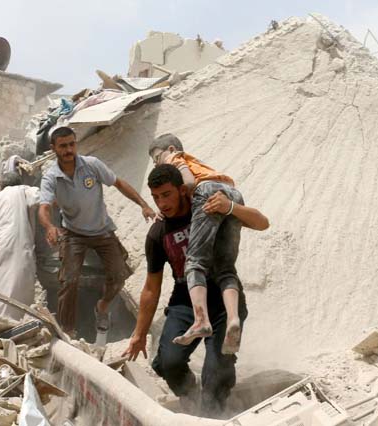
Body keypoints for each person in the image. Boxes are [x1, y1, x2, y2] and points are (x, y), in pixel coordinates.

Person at [123, 164, 268, 416]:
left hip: (223, 294)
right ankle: (191, 398)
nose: (161, 203)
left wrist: (231, 206)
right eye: (156, 197)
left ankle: (213, 411)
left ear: (181, 190)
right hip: (184, 300)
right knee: (169, 362)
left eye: (166, 194)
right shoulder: (158, 233)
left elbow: (262, 222)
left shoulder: (210, 207)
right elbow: (150, 287)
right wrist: (139, 333)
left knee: (217, 371)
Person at [149, 133, 262, 353]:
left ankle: (201, 321)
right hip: (232, 194)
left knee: (194, 262)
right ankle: (233, 320)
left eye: (157, 158)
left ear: (171, 149)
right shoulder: (202, 166)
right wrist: (230, 206)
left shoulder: (176, 158)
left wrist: (192, 200)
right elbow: (261, 222)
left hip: (207, 192)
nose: (157, 163)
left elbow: (190, 182)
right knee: (225, 268)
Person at [39, 126, 156, 337]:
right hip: (73, 233)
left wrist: (143, 204)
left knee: (119, 275)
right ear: (53, 148)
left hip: (102, 230)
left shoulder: (92, 165)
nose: (68, 150)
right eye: (63, 146)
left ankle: (102, 307)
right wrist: (49, 226)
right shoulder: (51, 177)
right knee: (69, 279)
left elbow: (119, 183)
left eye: (71, 144)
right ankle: (67, 330)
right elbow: (44, 207)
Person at [0, 172, 40, 320]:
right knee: (17, 280)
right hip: (14, 241)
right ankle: (11, 318)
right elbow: (41, 197)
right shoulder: (23, 190)